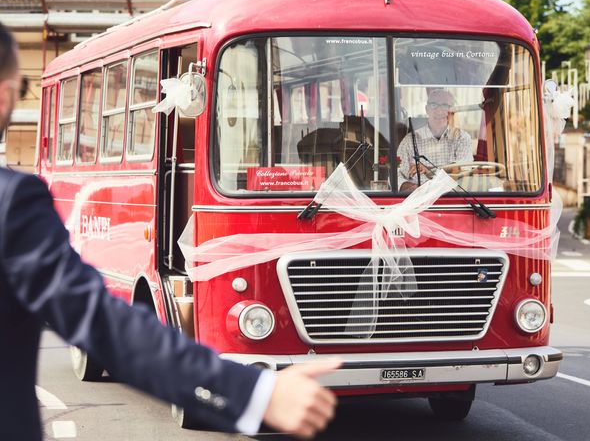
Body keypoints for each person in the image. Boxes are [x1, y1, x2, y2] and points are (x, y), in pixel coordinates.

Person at [0, 22, 339, 441]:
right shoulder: (11, 203)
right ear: (3, 96)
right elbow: (101, 323)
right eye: (23, 87)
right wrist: (254, 394)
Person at [397, 88, 473, 191]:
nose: (439, 110)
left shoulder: (462, 138)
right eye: (434, 105)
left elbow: (463, 174)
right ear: (427, 109)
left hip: (454, 200)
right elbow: (396, 175)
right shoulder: (410, 141)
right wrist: (411, 188)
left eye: (445, 106)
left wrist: (429, 171)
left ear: (452, 110)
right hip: (418, 201)